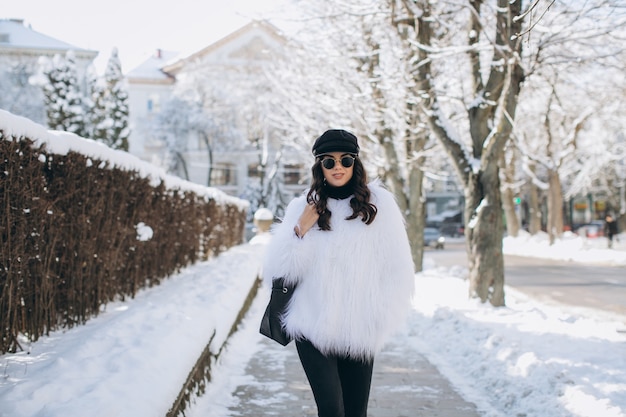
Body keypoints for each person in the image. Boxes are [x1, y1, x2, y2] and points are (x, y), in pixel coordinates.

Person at [262, 129, 415, 417]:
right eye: (328, 161)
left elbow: (399, 269)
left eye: (345, 160)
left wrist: (379, 316)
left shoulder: (379, 206)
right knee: (331, 410)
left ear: (356, 163)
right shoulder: (302, 207)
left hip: (359, 327)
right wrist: (299, 231)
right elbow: (279, 271)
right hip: (312, 326)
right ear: (319, 166)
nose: (338, 167)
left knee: (355, 412)